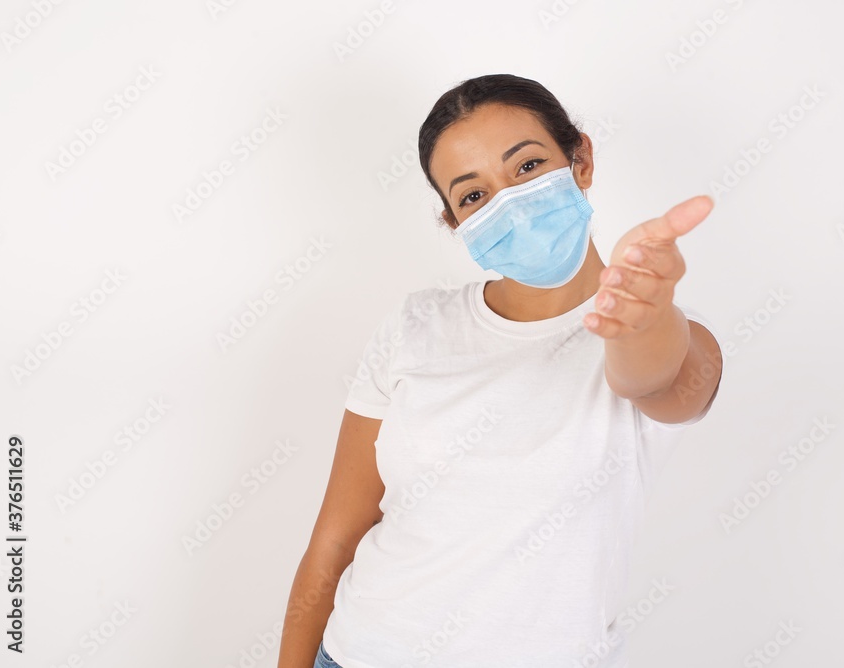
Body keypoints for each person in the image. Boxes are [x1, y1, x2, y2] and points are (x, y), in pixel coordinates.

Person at [278, 73, 724, 668]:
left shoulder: (669, 333)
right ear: (454, 223)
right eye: (473, 196)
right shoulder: (414, 328)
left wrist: (643, 317)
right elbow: (336, 537)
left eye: (527, 167)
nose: (508, 203)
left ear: (580, 158)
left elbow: (656, 382)